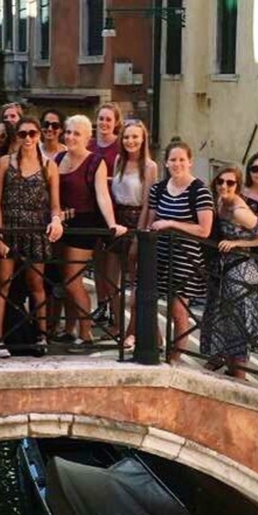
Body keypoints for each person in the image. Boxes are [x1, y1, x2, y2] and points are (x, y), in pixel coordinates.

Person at [0, 116, 63, 357]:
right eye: (23, 134)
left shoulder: (49, 166)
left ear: (39, 135)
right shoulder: (4, 163)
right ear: (17, 137)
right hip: (9, 228)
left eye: (32, 133)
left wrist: (55, 220)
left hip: (35, 230)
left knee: (36, 285)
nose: (28, 138)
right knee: (3, 284)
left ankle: (41, 336)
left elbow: (55, 205)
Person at [55, 115, 126, 351]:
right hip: (61, 224)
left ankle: (85, 336)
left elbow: (102, 195)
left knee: (72, 280)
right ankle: (68, 330)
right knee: (64, 282)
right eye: (68, 132)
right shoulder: (57, 159)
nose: (70, 137)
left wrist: (112, 223)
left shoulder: (95, 162)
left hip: (84, 226)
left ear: (87, 137)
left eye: (76, 133)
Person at [200, 166, 258, 379]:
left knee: (238, 325)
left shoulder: (240, 211)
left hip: (242, 271)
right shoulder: (220, 202)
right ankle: (232, 372)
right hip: (224, 270)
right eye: (220, 181)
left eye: (230, 183)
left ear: (238, 185)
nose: (224, 186)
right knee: (225, 321)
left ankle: (239, 381)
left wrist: (237, 243)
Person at [146, 140, 214, 364]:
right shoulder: (158, 188)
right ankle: (156, 346)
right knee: (148, 302)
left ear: (190, 162)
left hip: (185, 258)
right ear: (166, 162)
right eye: (173, 160)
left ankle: (175, 357)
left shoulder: (200, 190)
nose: (177, 164)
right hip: (160, 254)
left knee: (178, 310)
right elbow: (152, 220)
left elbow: (204, 230)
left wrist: (171, 224)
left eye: (181, 159)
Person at [112, 121, 158, 351]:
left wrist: (140, 236)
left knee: (136, 284)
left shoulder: (149, 166)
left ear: (143, 139)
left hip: (137, 223)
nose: (130, 141)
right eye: (126, 137)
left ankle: (132, 332)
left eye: (135, 137)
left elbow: (149, 203)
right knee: (116, 282)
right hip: (117, 223)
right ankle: (149, 335)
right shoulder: (118, 161)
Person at [89, 102, 123, 327]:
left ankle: (114, 307)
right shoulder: (89, 144)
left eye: (108, 119)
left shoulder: (120, 147)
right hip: (91, 208)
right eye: (101, 118)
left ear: (116, 123)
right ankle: (101, 303)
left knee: (113, 265)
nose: (104, 123)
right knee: (97, 261)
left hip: (114, 208)